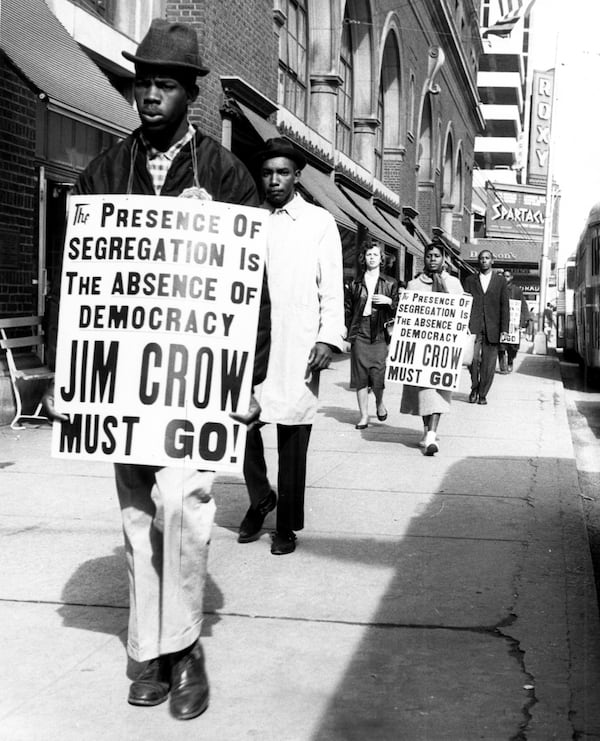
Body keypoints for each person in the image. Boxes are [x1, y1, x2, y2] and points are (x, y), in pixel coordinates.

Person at [42, 19, 270, 721]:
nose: (149, 95)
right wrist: (64, 373)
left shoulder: (228, 177)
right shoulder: (106, 171)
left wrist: (248, 381)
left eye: (164, 85)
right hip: (121, 381)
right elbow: (76, 277)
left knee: (186, 508)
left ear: (190, 95)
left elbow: (252, 285)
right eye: (143, 82)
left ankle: (186, 644)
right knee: (139, 511)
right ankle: (149, 645)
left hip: (195, 380)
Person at [237, 137, 346, 556]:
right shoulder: (249, 220)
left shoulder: (319, 222)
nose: (275, 180)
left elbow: (332, 287)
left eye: (283, 172)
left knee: (293, 435)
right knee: (241, 423)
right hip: (255, 343)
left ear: (297, 176)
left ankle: (286, 525)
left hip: (301, 342)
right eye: (267, 173)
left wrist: (326, 337)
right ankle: (261, 496)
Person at [400, 243, 463, 455]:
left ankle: (431, 436)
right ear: (424, 258)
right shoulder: (414, 284)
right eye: (429, 256)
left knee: (437, 391)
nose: (433, 259)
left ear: (444, 258)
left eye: (437, 256)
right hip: (420, 348)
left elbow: (461, 314)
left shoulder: (453, 284)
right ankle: (427, 431)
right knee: (424, 392)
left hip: (443, 350)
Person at [345, 240, 399, 429]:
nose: (372, 258)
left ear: (381, 258)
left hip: (379, 332)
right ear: (363, 258)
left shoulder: (390, 283)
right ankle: (364, 416)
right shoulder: (354, 283)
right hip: (360, 329)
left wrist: (389, 301)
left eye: (375, 255)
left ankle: (379, 402)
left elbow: (399, 311)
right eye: (369, 255)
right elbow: (348, 310)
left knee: (378, 373)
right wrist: (346, 332)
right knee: (360, 374)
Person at [464, 249, 509, 405]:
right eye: (481, 258)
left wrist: (504, 330)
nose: (484, 260)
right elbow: (464, 303)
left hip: (493, 328)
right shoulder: (470, 280)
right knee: (473, 359)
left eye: (487, 258)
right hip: (473, 327)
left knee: (489, 364)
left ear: (492, 261)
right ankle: (474, 387)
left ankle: (483, 394)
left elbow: (505, 306)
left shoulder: (500, 281)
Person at [498, 269, 529, 373]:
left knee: (513, 347)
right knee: (501, 346)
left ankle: (510, 361)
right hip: (501, 322)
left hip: (513, 323)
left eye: (507, 276)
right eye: (503, 276)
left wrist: (523, 321)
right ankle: (503, 367)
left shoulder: (517, 290)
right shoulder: (497, 289)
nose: (505, 278)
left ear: (511, 277)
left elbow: (523, 305)